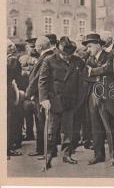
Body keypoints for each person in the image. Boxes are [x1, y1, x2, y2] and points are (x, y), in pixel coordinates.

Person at [38, 36, 85, 168]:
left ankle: (66, 155)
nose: (67, 57)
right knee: (51, 131)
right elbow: (43, 81)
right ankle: (48, 156)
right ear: (59, 51)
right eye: (64, 54)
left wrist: (79, 98)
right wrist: (44, 99)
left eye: (69, 54)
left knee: (67, 131)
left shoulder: (78, 61)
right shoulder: (49, 60)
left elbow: (84, 77)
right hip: (53, 102)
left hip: (70, 102)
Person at [82, 33, 114, 166]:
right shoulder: (89, 59)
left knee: (110, 127)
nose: (88, 49)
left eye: (90, 46)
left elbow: (109, 69)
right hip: (93, 96)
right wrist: (98, 74)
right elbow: (85, 74)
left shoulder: (110, 56)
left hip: (107, 96)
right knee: (95, 126)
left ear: (98, 45)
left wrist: (93, 72)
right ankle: (99, 155)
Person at [26, 36, 55, 158]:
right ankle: (42, 149)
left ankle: (46, 151)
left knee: (43, 123)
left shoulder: (45, 57)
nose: (35, 48)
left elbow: (38, 78)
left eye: (36, 46)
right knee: (42, 123)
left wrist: (28, 93)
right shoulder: (50, 56)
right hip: (44, 94)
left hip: (42, 94)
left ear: (40, 47)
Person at [19, 38, 38, 141]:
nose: (33, 49)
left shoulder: (40, 58)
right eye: (31, 47)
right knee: (27, 113)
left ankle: (40, 135)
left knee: (38, 114)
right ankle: (29, 133)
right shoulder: (22, 58)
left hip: (36, 90)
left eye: (34, 46)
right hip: (26, 89)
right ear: (27, 47)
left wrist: (27, 70)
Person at [7, 39, 23, 157]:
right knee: (9, 119)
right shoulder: (12, 60)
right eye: (10, 47)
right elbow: (17, 78)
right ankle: (8, 147)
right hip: (9, 91)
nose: (13, 49)